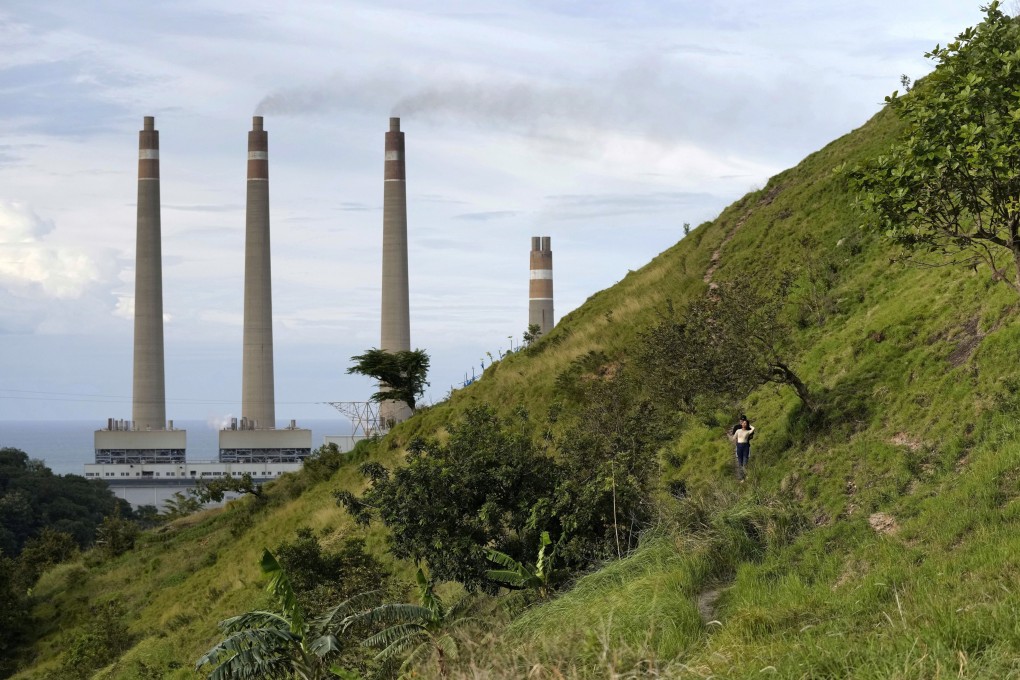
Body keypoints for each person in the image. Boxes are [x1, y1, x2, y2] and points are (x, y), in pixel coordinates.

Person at [727, 414, 755, 481]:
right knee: (740, 462)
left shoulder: (748, 428)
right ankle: (741, 477)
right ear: (739, 420)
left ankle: (746, 476)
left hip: (746, 445)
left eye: (744, 421)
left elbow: (751, 435)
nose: (742, 422)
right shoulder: (737, 428)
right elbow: (734, 437)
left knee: (745, 461)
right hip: (739, 446)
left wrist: (747, 434)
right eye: (741, 420)